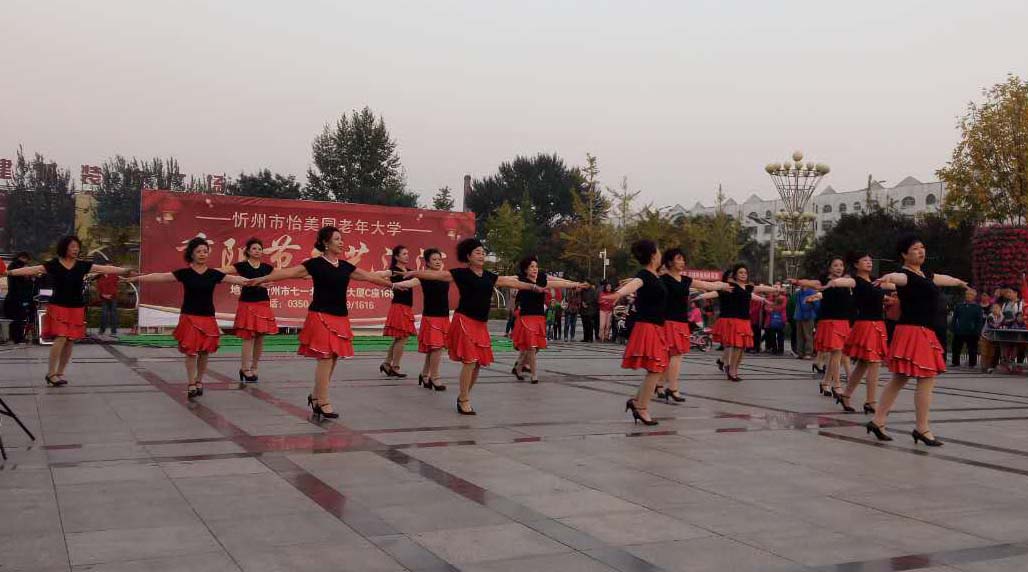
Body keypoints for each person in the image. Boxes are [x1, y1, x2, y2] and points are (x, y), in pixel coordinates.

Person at [247, 226, 396, 417]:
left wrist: (393, 285)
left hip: (340, 316)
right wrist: (261, 279)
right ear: (326, 243)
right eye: (337, 239)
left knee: (333, 357)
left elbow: (369, 277)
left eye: (342, 239)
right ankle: (323, 401)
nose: (341, 242)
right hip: (320, 315)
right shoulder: (316, 264)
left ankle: (316, 396)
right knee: (325, 358)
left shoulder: (345, 266)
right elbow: (288, 272)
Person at [403, 238, 543, 415]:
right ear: (468, 256)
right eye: (477, 252)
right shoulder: (462, 274)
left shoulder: (489, 276)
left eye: (483, 252)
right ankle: (464, 400)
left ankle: (464, 395)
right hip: (464, 321)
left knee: (477, 364)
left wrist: (533, 287)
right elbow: (439, 275)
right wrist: (415, 273)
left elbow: (511, 282)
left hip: (481, 325)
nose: (481, 255)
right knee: (470, 361)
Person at [866, 234, 968, 446]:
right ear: (904, 254)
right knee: (926, 378)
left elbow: (941, 278)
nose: (921, 251)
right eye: (915, 249)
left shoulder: (924, 274)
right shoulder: (906, 275)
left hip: (918, 330)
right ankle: (922, 428)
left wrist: (959, 282)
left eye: (922, 247)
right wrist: (888, 277)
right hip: (914, 331)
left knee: (900, 378)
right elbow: (897, 277)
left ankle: (878, 421)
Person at [126, 237, 250, 398]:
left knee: (204, 352)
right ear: (191, 254)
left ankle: (199, 381)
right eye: (199, 251)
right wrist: (137, 278)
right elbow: (161, 277)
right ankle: (191, 382)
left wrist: (259, 281)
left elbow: (237, 279)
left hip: (208, 317)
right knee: (191, 352)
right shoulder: (185, 273)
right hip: (189, 317)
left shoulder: (214, 274)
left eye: (205, 251)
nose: (202, 254)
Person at [5, 236, 132, 386]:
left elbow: (104, 268)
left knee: (70, 340)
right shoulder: (54, 264)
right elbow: (34, 269)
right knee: (61, 337)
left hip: (76, 307)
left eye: (77, 246)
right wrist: (9, 273)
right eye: (72, 246)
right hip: (58, 306)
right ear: (64, 247)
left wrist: (124, 270)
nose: (75, 249)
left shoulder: (82, 265)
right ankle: (51, 373)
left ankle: (59, 373)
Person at [602, 240, 668, 425]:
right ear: (653, 255)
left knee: (657, 368)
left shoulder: (656, 276)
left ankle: (637, 402)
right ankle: (641, 407)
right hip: (648, 327)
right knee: (655, 369)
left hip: (656, 326)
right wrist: (619, 294)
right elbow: (635, 284)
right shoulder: (644, 275)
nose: (661, 254)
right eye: (659, 251)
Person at [656, 248, 729, 402]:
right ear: (669, 262)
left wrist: (723, 285)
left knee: (671, 356)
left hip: (681, 322)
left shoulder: (686, 280)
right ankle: (672, 388)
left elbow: (706, 284)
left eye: (683, 259)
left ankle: (660, 384)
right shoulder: (662, 280)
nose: (682, 262)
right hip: (666, 322)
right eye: (679, 259)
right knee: (674, 355)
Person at [510, 256, 585, 383]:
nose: (535, 269)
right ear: (526, 269)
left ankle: (518, 367)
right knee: (531, 347)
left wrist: (574, 284)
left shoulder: (542, 280)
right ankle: (534, 375)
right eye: (532, 267)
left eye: (536, 266)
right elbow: (508, 284)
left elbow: (558, 283)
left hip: (539, 318)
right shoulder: (521, 281)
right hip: (526, 318)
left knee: (535, 348)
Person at [836, 251, 893, 414]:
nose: (869, 262)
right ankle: (871, 401)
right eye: (865, 260)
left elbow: (892, 286)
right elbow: (845, 282)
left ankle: (846, 395)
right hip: (866, 325)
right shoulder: (856, 281)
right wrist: (833, 282)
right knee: (874, 363)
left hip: (878, 324)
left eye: (870, 260)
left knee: (863, 364)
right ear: (856, 264)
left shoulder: (876, 280)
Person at [792, 257, 854, 397]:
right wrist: (798, 281)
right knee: (836, 353)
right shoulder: (824, 281)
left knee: (836, 355)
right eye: (835, 265)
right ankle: (837, 385)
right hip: (830, 321)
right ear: (830, 268)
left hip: (844, 322)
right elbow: (813, 283)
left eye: (841, 265)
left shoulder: (845, 282)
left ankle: (825, 382)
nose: (839, 267)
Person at [391, 248, 451, 391]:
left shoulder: (445, 275)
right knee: (436, 348)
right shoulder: (423, 276)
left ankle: (424, 375)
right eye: (434, 260)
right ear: (427, 263)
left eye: (439, 259)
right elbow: (408, 283)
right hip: (431, 317)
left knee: (434, 349)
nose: (438, 262)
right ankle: (434, 377)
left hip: (443, 317)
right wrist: (392, 284)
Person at [220, 238, 278, 384]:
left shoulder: (266, 268)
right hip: (247, 304)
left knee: (260, 337)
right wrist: (202, 271)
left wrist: (306, 274)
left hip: (263, 304)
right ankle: (245, 369)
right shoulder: (242, 266)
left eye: (259, 249)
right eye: (254, 248)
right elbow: (222, 272)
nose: (257, 251)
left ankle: (254, 367)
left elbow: (286, 273)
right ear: (248, 251)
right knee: (248, 337)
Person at [713, 264, 781, 381]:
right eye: (740, 272)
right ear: (735, 275)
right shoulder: (731, 286)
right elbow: (715, 289)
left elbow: (760, 288)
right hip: (735, 320)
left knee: (741, 348)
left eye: (745, 273)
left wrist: (775, 289)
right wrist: (700, 293)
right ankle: (731, 371)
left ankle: (734, 370)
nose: (743, 275)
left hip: (745, 320)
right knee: (737, 346)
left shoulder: (748, 288)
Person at [377, 245, 416, 378]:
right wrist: (389, 285)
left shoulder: (409, 272)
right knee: (402, 338)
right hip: (399, 307)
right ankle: (395, 366)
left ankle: (387, 363)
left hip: (407, 307)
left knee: (399, 338)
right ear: (396, 257)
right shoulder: (393, 271)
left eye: (407, 253)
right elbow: (378, 275)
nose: (407, 256)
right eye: (404, 254)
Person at [2, 252, 33, 344]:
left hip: (16, 297)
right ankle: (17, 338)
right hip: (17, 297)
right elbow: (21, 282)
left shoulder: (13, 266)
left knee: (19, 318)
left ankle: (17, 337)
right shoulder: (16, 266)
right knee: (18, 318)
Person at [950, 288, 984, 368]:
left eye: (971, 294)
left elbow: (979, 321)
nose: (968, 296)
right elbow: (954, 318)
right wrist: (953, 327)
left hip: (972, 332)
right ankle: (955, 362)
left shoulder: (977, 307)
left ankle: (972, 364)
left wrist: (977, 331)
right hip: (959, 330)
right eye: (967, 294)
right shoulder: (959, 306)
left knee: (972, 348)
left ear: (974, 296)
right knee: (956, 347)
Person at [793, 283, 819, 359]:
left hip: (808, 316)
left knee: (808, 335)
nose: (800, 285)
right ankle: (800, 352)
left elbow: (816, 304)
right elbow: (797, 304)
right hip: (799, 316)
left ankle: (808, 353)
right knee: (799, 335)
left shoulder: (812, 292)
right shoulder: (799, 293)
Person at [96, 272, 120, 337]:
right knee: (104, 314)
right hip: (104, 298)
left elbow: (116, 286)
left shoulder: (114, 275)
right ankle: (102, 330)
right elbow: (98, 288)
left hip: (113, 298)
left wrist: (111, 295)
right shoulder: (100, 277)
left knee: (113, 314)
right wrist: (102, 295)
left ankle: (113, 331)